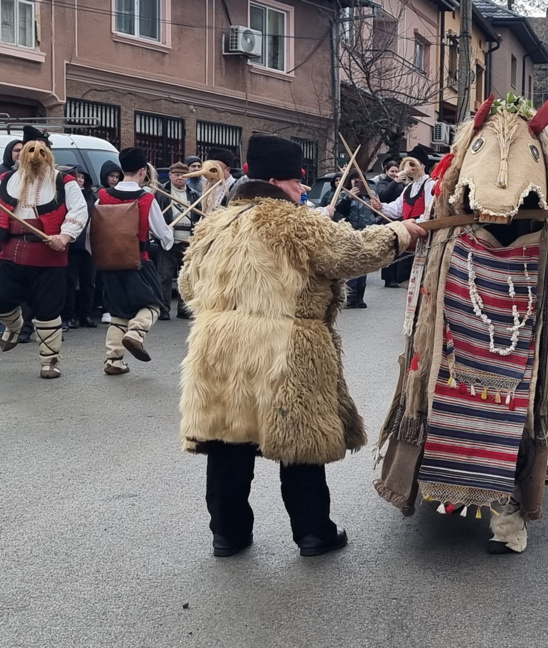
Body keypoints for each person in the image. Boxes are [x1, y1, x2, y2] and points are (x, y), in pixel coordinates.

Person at [179, 134, 426, 558]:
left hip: (217, 347)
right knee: (299, 441)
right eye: (297, 182)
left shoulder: (213, 224)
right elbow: (352, 252)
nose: (302, 189)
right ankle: (314, 533)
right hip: (285, 346)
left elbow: (186, 284)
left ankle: (228, 535)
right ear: (277, 181)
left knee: (228, 445)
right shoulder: (294, 222)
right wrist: (401, 233)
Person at [374, 95, 548, 554]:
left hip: (520, 355)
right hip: (452, 351)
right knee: (441, 401)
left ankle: (509, 519)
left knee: (517, 416)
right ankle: (440, 483)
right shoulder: (451, 231)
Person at [0, 126, 88, 378]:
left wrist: (65, 235)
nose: (35, 154)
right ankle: (14, 326)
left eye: (41, 148)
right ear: (21, 153)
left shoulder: (64, 180)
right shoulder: (6, 180)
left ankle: (49, 360)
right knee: (2, 299)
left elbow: (79, 210)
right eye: (30, 149)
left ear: (48, 152)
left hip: (49, 254)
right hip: (10, 250)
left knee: (48, 309)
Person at [94, 147, 173, 376]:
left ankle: (114, 360)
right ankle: (136, 333)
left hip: (110, 264)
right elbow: (163, 236)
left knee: (118, 312)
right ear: (142, 170)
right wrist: (169, 234)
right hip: (139, 261)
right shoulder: (146, 198)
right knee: (153, 304)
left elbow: (94, 233)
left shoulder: (102, 196)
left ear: (121, 169)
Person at [379, 144, 436, 287]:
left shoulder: (430, 184)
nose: (408, 168)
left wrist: (414, 225)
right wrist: (381, 207)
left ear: (422, 165)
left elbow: (429, 213)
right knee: (405, 281)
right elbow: (397, 209)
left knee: (422, 282)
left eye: (412, 164)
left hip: (423, 237)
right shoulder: (409, 187)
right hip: (409, 237)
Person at [155, 162, 201, 320]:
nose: (180, 178)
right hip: (168, 241)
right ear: (170, 175)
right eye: (176, 175)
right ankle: (164, 309)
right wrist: (163, 229)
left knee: (186, 276)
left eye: (183, 175)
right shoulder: (162, 193)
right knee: (165, 276)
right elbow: (156, 216)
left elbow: (198, 217)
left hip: (188, 242)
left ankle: (184, 309)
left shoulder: (194, 195)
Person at [333, 177, 383, 308]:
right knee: (351, 265)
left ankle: (360, 297)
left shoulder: (371, 194)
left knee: (364, 265)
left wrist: (375, 221)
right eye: (355, 180)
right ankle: (350, 297)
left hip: (367, 233)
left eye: (361, 181)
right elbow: (338, 211)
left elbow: (379, 211)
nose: (358, 184)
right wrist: (348, 198)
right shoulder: (345, 193)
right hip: (350, 233)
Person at [64, 170, 97, 330]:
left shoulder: (92, 197)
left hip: (89, 245)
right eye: (77, 177)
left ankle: (86, 314)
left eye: (83, 177)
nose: (80, 180)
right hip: (72, 244)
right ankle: (69, 316)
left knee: (88, 282)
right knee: (70, 281)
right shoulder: (66, 195)